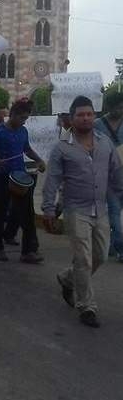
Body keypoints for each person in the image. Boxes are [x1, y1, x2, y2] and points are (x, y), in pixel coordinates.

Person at [43, 96, 123, 328]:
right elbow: (52, 180)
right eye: (81, 114)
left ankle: (67, 278)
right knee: (84, 259)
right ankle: (87, 306)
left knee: (100, 254)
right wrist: (49, 208)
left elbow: (116, 173)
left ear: (94, 116)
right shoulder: (62, 147)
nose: (86, 118)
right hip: (75, 209)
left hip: (101, 208)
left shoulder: (105, 142)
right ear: (72, 118)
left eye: (89, 114)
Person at [0, 98, 46, 263]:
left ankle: (28, 251)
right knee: (0, 213)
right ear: (12, 114)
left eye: (26, 119)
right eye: (21, 118)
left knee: (28, 214)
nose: (23, 121)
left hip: (20, 177)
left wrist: (39, 160)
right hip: (3, 177)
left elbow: (26, 148)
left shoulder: (23, 131)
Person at [94, 90, 123, 261]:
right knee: (114, 214)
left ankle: (112, 245)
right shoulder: (98, 124)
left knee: (117, 214)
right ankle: (121, 249)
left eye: (121, 107)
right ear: (108, 107)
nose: (118, 111)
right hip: (108, 178)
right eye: (115, 107)